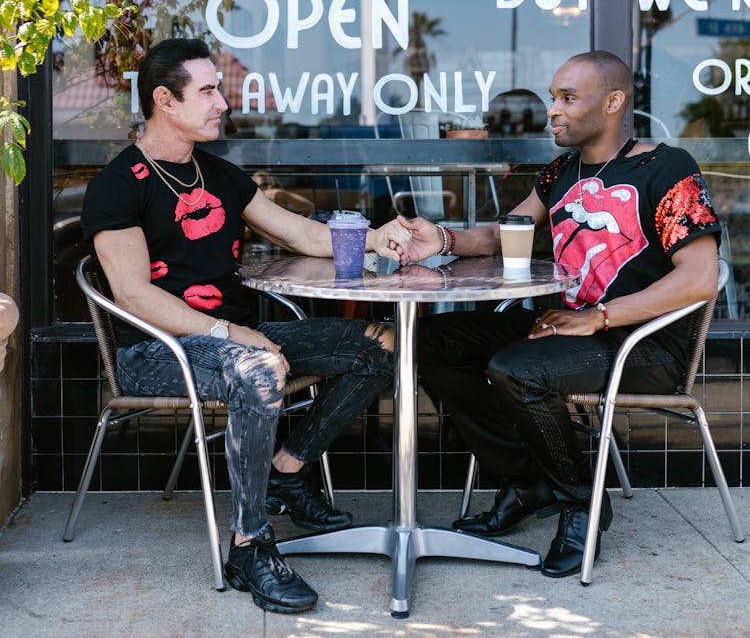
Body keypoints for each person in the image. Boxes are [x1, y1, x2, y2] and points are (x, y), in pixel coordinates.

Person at [81, 38, 411, 615]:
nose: (222, 104)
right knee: (259, 369)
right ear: (164, 99)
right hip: (159, 351)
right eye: (207, 91)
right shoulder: (118, 184)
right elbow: (134, 294)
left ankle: (286, 470)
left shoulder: (219, 174)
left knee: (379, 343)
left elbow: (298, 234)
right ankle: (250, 543)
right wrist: (233, 336)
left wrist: (377, 237)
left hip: (233, 339)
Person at [396, 50, 720, 578]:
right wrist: (444, 237)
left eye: (568, 98)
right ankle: (526, 480)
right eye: (553, 97)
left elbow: (699, 276)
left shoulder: (666, 166)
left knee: (518, 368)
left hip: (641, 344)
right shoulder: (560, 173)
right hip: (564, 328)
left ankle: (581, 503)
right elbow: (509, 232)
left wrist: (600, 317)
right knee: (430, 341)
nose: (553, 110)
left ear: (613, 102)